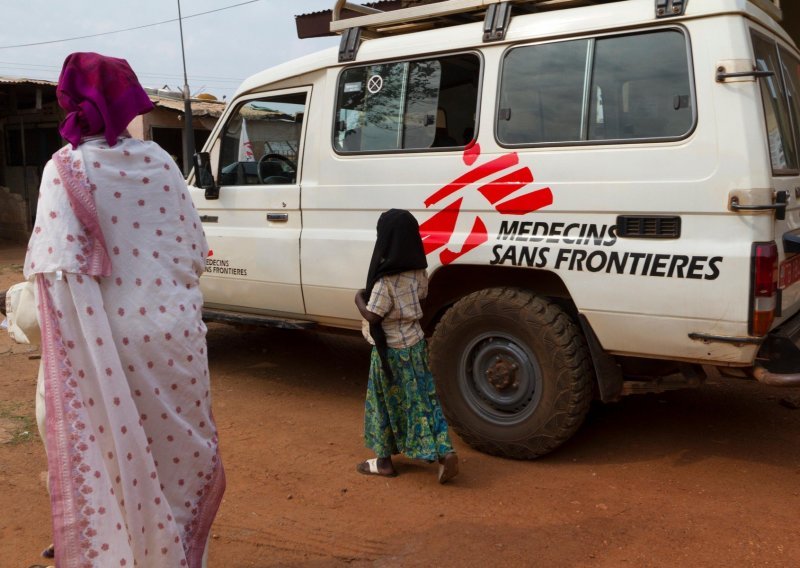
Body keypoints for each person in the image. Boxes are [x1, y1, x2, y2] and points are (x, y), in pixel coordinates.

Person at [23, 52, 225, 568]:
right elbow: (194, 248)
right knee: (172, 455)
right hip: (173, 335)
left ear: (71, 99)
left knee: (111, 450)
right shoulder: (160, 162)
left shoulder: (63, 169)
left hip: (107, 344)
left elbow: (53, 269)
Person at [354, 209, 459, 483]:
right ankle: (443, 451)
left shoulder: (384, 281)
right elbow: (422, 298)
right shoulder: (419, 271)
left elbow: (373, 315)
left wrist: (357, 299)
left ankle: (384, 461)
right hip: (414, 346)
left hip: (389, 352)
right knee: (424, 400)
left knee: (383, 403)